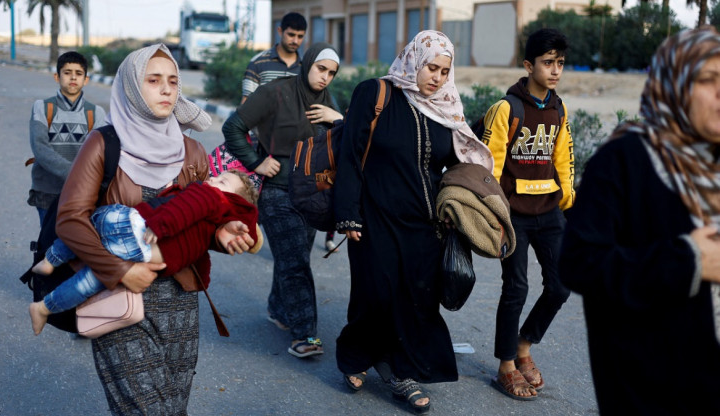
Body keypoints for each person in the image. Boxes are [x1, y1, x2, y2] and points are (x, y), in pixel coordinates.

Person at [55, 43, 255, 414]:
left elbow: (202, 217)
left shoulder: (192, 151)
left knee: (173, 407)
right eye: (154, 80)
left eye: (173, 81)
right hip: (119, 297)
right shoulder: (104, 143)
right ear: (132, 86)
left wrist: (220, 234)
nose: (167, 89)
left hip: (180, 303)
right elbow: (69, 220)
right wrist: (121, 270)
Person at [559, 27, 720, 415]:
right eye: (707, 80)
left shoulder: (709, 163)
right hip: (646, 387)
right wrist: (687, 260)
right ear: (674, 83)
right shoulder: (623, 159)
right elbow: (579, 262)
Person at [333, 30, 493, 413]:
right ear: (413, 60)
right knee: (377, 293)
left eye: (443, 70)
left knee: (417, 297)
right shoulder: (374, 94)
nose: (436, 78)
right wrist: (347, 214)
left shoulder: (444, 108)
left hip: (426, 223)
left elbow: (455, 165)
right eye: (430, 67)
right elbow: (350, 158)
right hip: (374, 216)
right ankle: (357, 355)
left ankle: (399, 370)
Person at [28, 170, 261, 336]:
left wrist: (161, 225)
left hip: (135, 229)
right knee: (89, 281)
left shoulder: (212, 198)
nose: (212, 178)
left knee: (91, 225)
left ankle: (51, 260)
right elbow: (195, 215)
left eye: (221, 180)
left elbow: (185, 207)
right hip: (139, 250)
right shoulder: (213, 212)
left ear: (232, 199)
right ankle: (44, 307)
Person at [222, 43, 343, 358]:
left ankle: (278, 308)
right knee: (296, 262)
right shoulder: (275, 92)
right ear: (307, 64)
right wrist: (255, 162)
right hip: (277, 190)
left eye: (332, 72)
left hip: (314, 194)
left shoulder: (328, 100)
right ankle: (306, 336)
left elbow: (347, 142)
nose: (325, 77)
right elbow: (233, 126)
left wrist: (337, 117)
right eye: (321, 69)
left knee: (295, 257)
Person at [480, 28, 574, 401]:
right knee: (516, 288)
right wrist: (495, 216)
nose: (554, 71)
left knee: (561, 285)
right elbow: (488, 166)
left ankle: (523, 346)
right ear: (528, 65)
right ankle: (506, 366)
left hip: (549, 211)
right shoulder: (507, 108)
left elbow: (563, 158)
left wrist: (567, 199)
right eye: (548, 62)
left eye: (560, 63)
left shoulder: (559, 107)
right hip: (513, 215)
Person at [28, 51, 107, 226]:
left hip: (82, 192)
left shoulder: (96, 113)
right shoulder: (42, 108)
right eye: (67, 72)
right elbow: (40, 148)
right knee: (47, 241)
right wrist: (76, 173)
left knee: (76, 242)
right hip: (48, 189)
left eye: (78, 73)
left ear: (86, 79)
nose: (73, 77)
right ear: (57, 76)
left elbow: (100, 154)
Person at [241, 12, 306, 104]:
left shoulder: (305, 67)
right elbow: (246, 103)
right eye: (291, 35)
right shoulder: (258, 63)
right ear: (280, 31)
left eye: (300, 36)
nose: (295, 41)